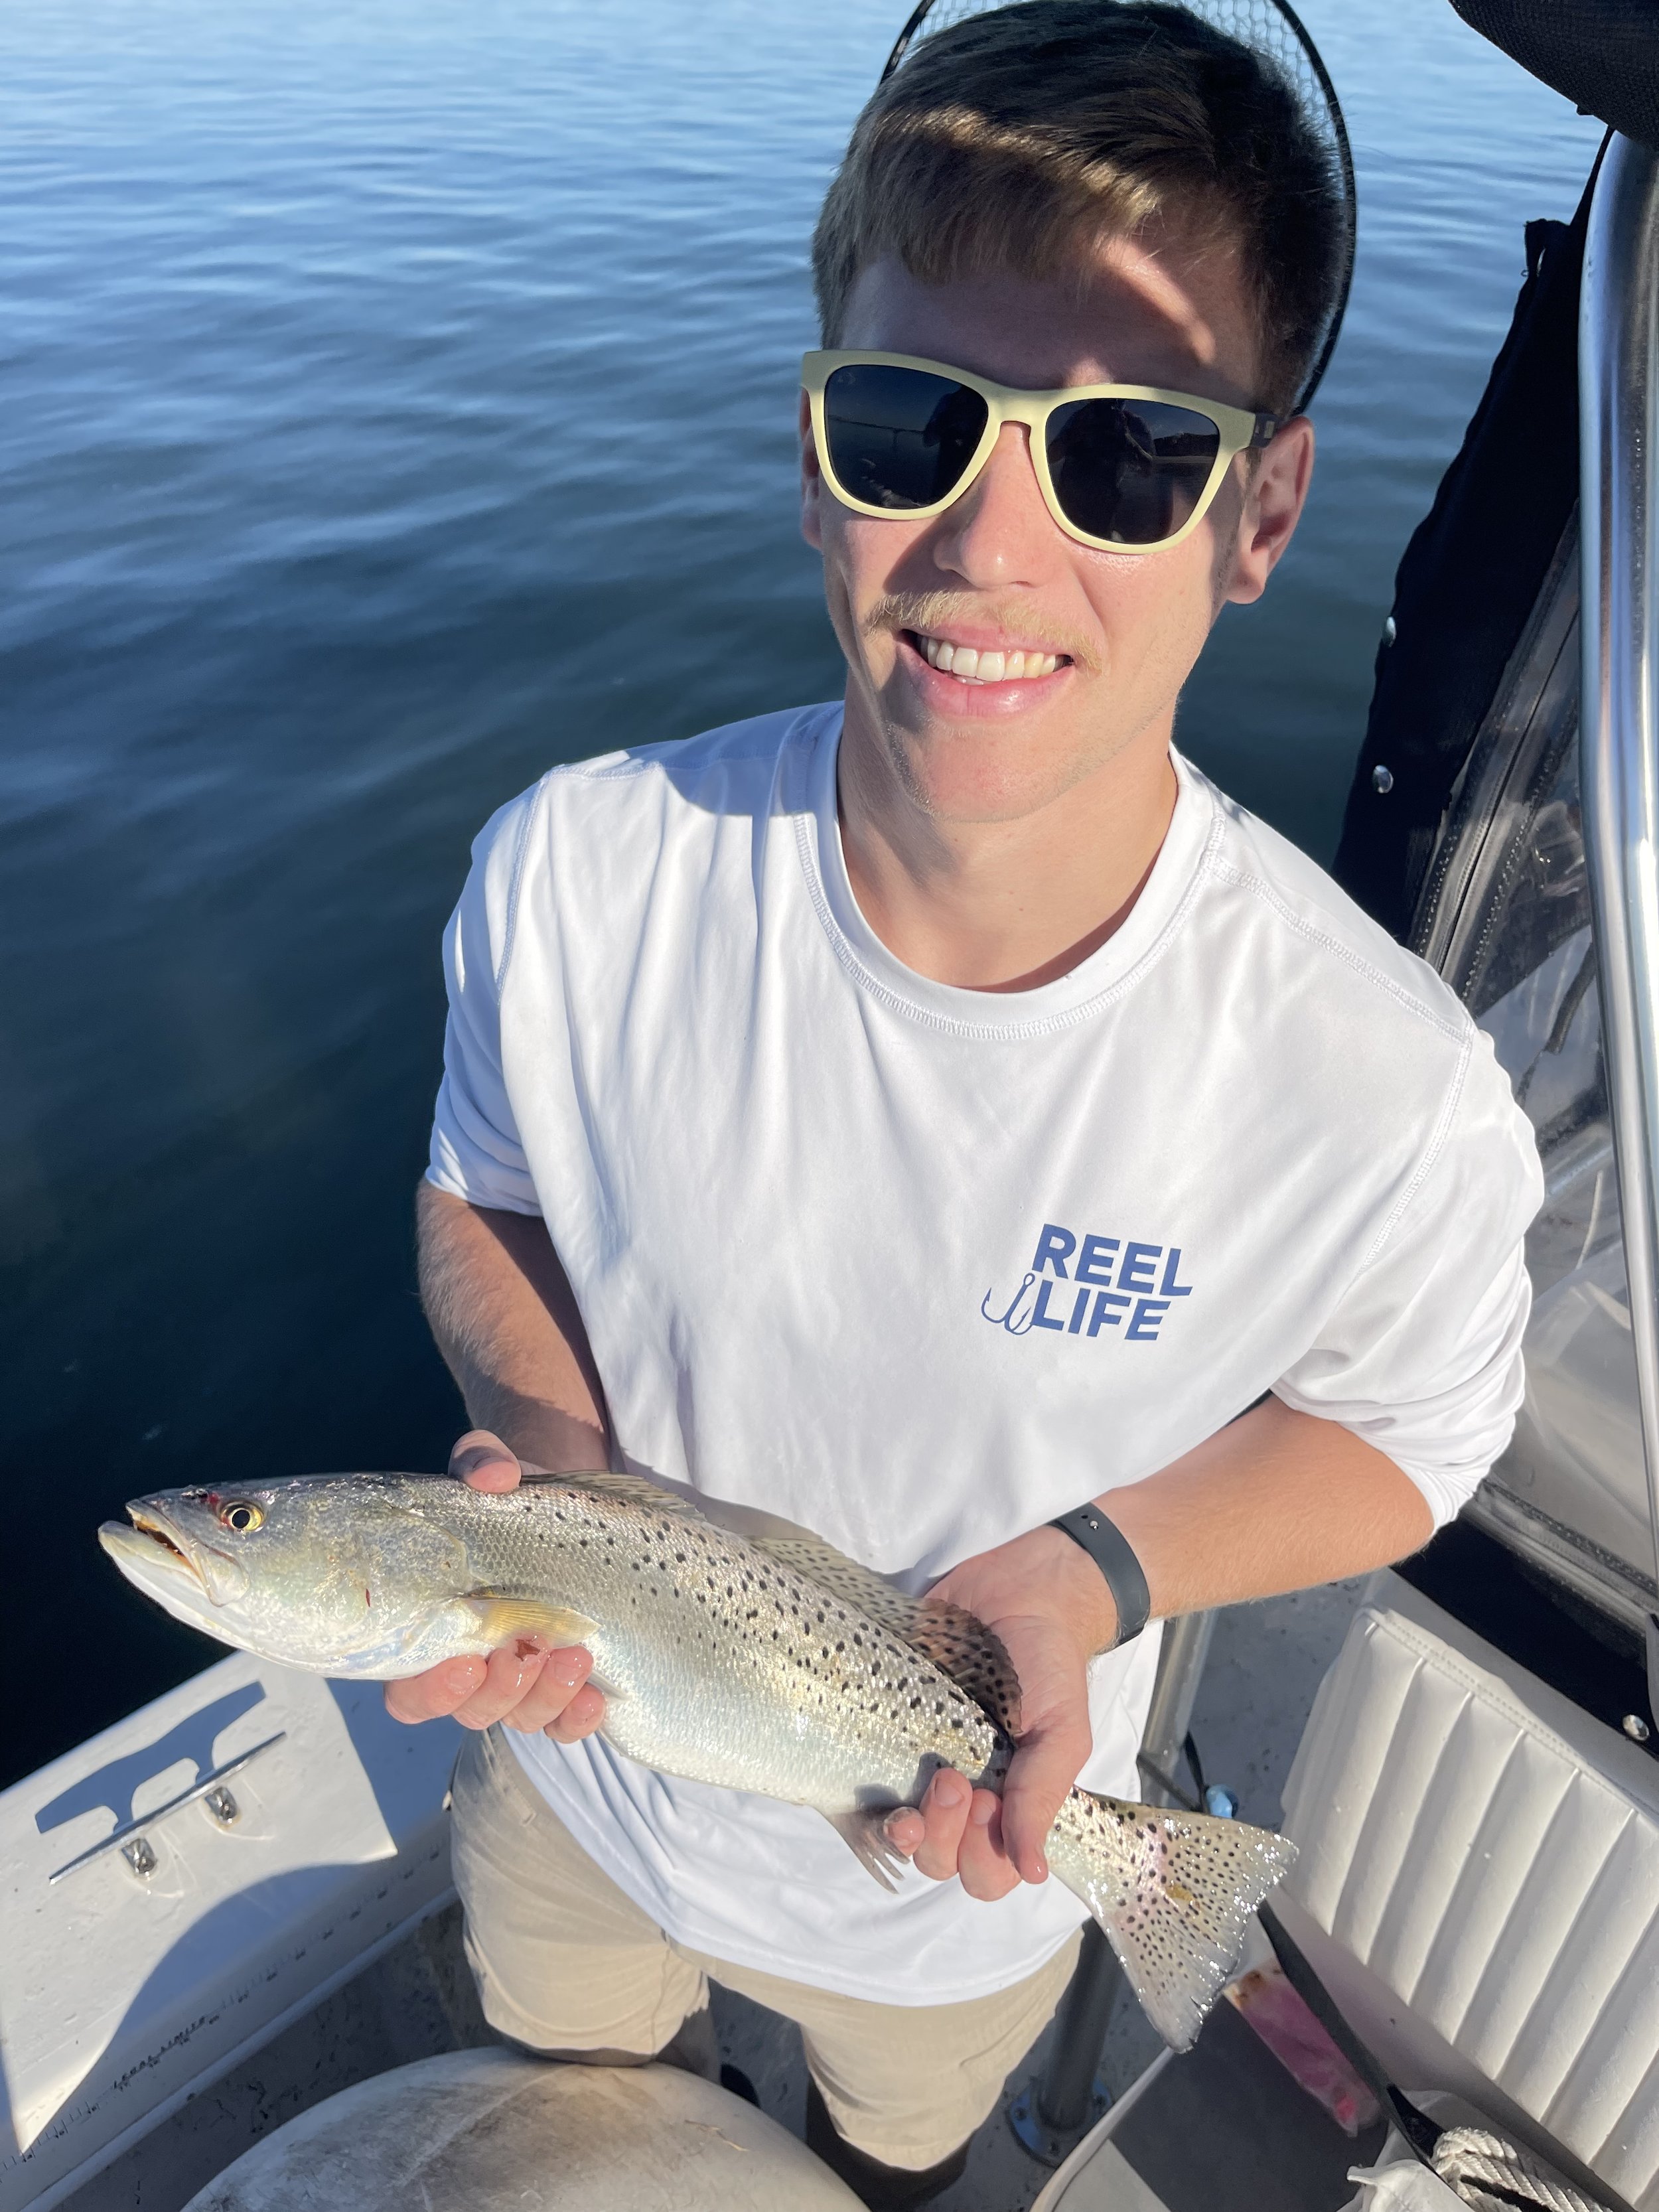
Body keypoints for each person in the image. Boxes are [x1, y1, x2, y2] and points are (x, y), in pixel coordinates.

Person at [391, 4, 1542, 2203]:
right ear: (816, 451)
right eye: (913, 423)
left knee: (905, 2171)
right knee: (544, 2122)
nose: (986, 551)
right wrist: (547, 1505)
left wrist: (1100, 1574)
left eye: (1122, 456)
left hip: (950, 1878)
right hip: (581, 1783)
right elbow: (485, 1197)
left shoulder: (1384, 1090)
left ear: (1260, 510)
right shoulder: (573, 872)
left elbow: (1415, 1433)